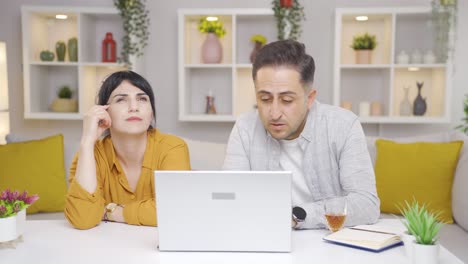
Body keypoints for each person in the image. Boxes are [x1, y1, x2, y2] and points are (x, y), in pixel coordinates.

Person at [222, 40, 380, 229]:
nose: (274, 113)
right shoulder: (245, 128)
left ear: (309, 98)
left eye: (287, 100)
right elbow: (230, 197)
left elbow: (366, 205)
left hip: (329, 245)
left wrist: (296, 216)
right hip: (264, 238)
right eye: (264, 99)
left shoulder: (343, 126)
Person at [65, 71, 191, 230]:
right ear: (104, 112)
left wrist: (112, 212)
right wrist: (87, 141)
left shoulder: (172, 148)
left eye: (142, 99)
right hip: (105, 249)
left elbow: (175, 211)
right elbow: (82, 218)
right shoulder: (89, 154)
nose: (134, 107)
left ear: (151, 113)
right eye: (121, 100)